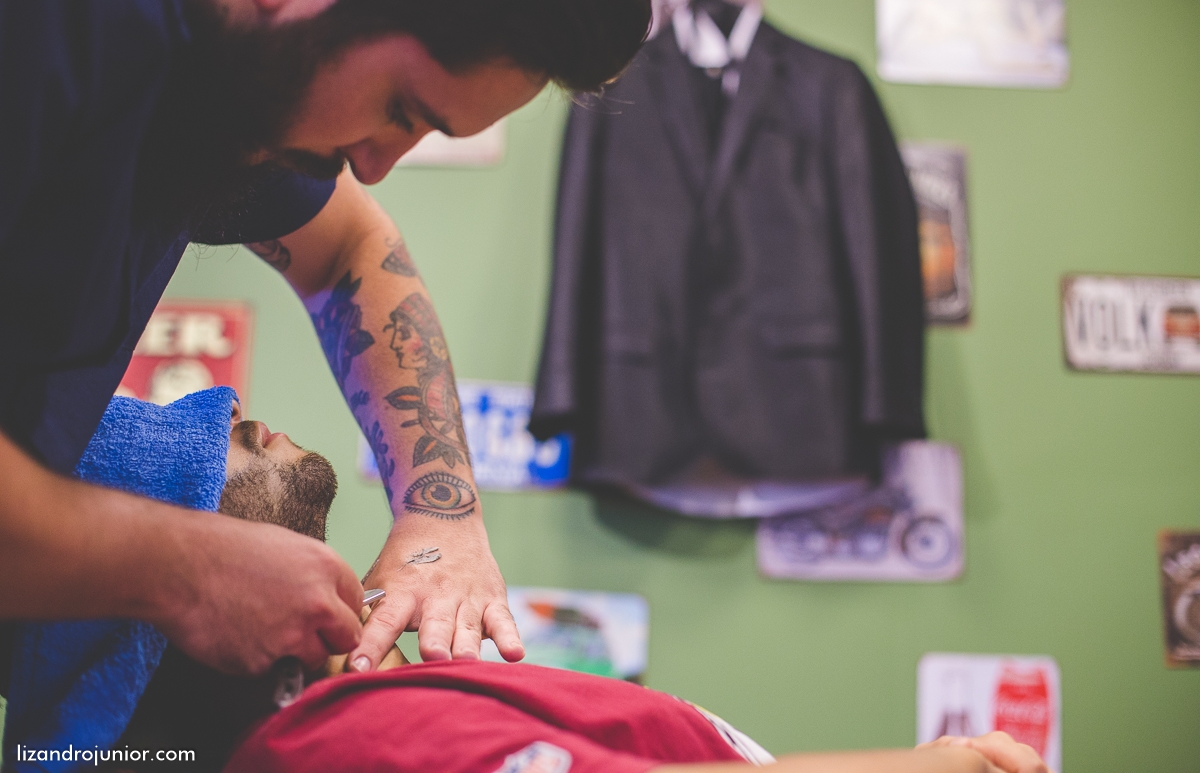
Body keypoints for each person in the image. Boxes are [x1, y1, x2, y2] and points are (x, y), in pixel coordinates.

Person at [0, 0, 653, 681]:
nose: (374, 164)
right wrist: (188, 567)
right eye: (400, 107)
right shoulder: (43, 17)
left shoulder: (223, 81)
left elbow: (353, 251)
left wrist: (443, 515)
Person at [4, 392, 1048, 773]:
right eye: (191, 467)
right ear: (181, 605)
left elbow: (347, 239)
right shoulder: (328, 746)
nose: (239, 414)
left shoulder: (345, 712)